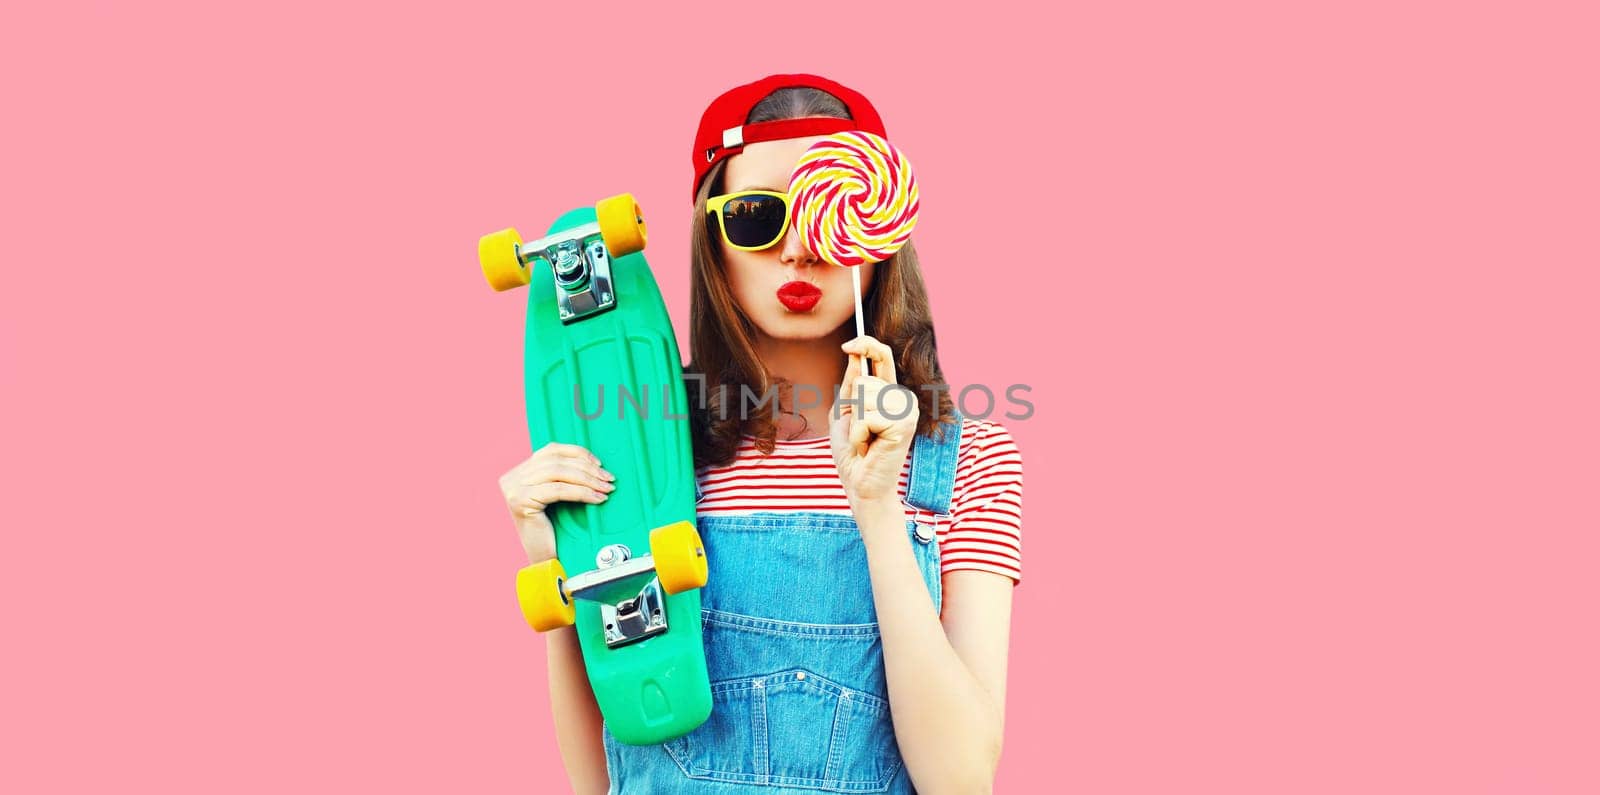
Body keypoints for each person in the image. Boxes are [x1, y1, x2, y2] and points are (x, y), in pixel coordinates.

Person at [499, 73, 1024, 794]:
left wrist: (875, 511)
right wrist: (561, 565)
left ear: (879, 231)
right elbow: (602, 776)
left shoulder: (967, 459)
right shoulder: (639, 445)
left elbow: (960, 778)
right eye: (756, 216)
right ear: (710, 238)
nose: (799, 252)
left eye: (827, 211)